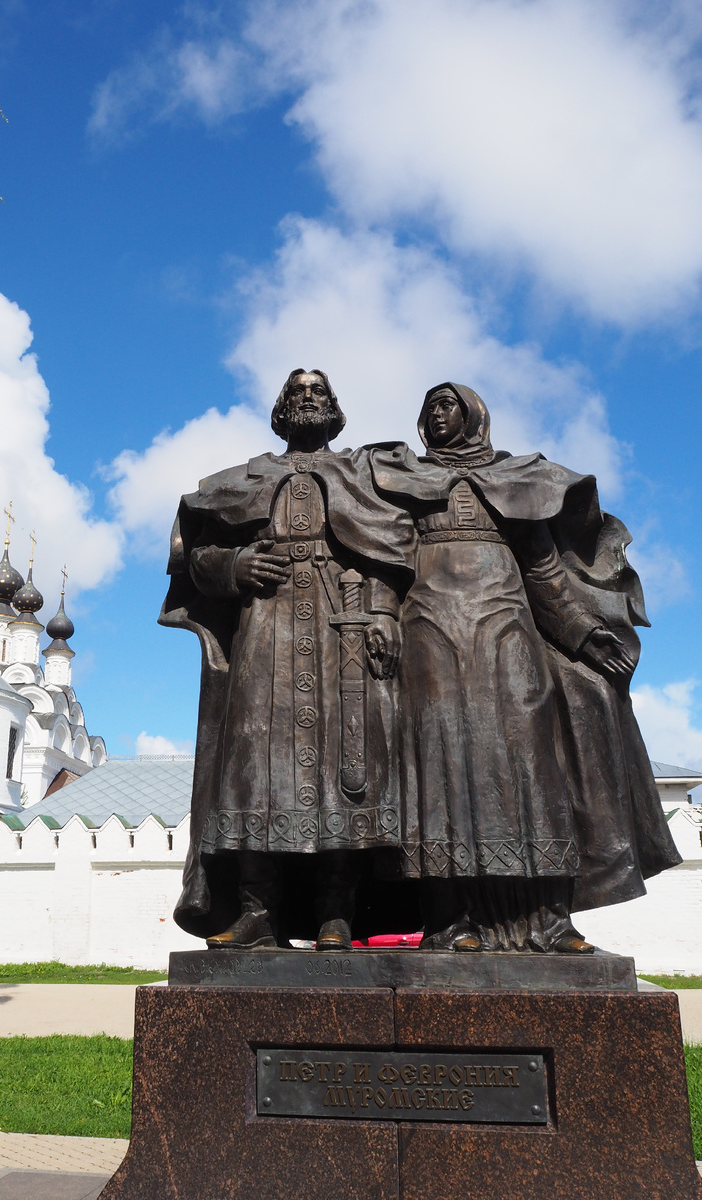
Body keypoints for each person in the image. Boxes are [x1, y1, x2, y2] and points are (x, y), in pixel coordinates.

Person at [369, 382, 681, 953]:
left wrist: (584, 635)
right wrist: (382, 616)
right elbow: (383, 561)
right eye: (430, 406)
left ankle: (549, 918)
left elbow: (544, 573)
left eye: (449, 404)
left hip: (507, 628)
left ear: (474, 416)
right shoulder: (402, 478)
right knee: (439, 766)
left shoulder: (516, 480)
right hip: (430, 630)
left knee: (531, 763)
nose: (438, 414)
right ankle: (451, 918)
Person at [161, 369, 418, 951]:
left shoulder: (359, 475)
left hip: (341, 627)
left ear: (334, 409)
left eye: (319, 390)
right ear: (280, 409)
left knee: (348, 766)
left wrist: (381, 612)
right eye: (297, 390)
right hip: (266, 627)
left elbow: (390, 547)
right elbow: (197, 556)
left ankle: (337, 913)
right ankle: (257, 911)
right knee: (256, 764)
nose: (308, 396)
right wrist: (232, 568)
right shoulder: (249, 478)